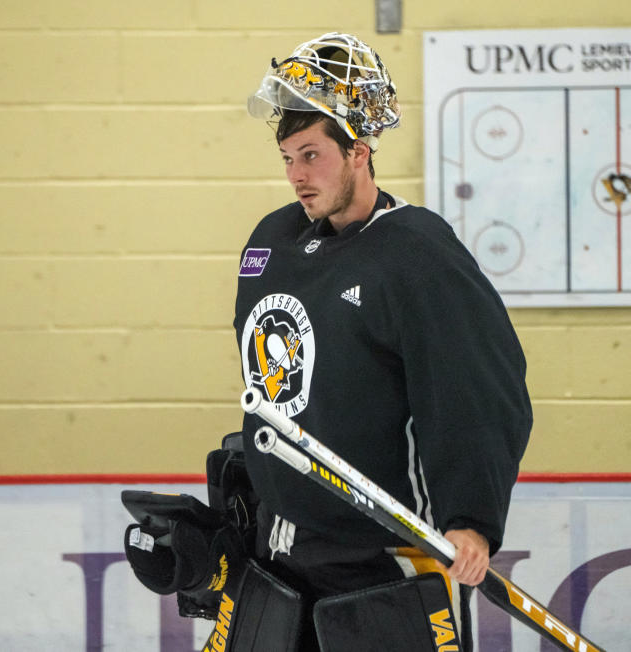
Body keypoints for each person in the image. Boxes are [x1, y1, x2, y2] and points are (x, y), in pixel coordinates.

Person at [233, 32, 532, 651]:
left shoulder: (417, 253)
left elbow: (476, 390)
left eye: (311, 155)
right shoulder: (272, 242)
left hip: (380, 554)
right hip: (277, 551)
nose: (296, 175)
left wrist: (471, 520)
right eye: (288, 157)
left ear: (359, 153)